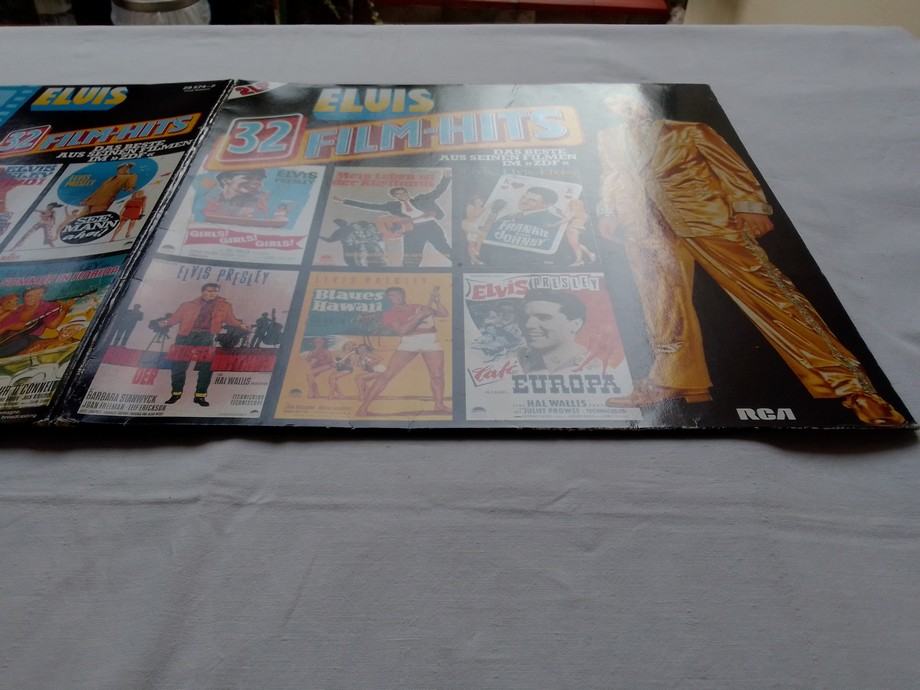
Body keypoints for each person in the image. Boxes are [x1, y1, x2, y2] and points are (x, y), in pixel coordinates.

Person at [598, 90, 905, 425]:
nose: (622, 107)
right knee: (661, 308)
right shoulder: (608, 138)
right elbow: (613, 177)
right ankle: (672, 381)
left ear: (647, 104)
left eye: (628, 102)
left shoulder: (690, 130)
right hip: (645, 227)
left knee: (771, 298)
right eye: (614, 103)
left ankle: (853, 388)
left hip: (707, 220)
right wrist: (609, 212)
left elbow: (732, 169)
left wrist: (750, 207)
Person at [356, 286, 449, 416]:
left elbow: (444, 314)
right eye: (391, 296)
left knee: (437, 375)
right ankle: (363, 408)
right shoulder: (390, 314)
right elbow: (402, 331)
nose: (395, 297)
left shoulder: (418, 306)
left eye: (397, 294)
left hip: (430, 340)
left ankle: (439, 405)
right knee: (387, 375)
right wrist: (419, 316)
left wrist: (437, 302)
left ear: (403, 295)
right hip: (409, 342)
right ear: (388, 299)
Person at [334, 171, 452, 268]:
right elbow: (370, 206)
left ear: (407, 192)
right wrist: (345, 201)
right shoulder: (392, 206)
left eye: (403, 192)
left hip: (430, 226)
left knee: (443, 248)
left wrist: (446, 178)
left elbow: (438, 191)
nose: (402, 195)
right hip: (412, 231)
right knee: (411, 257)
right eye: (398, 194)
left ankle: (460, 265)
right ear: (395, 197)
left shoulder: (421, 199)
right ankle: (407, 277)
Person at [157, 283, 248, 407]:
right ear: (202, 292)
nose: (212, 294)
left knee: (206, 367)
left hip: (207, 337)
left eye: (215, 291)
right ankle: (176, 393)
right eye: (209, 291)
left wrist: (241, 325)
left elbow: (231, 319)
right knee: (179, 366)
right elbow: (175, 318)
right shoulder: (187, 305)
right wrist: (166, 322)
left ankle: (200, 396)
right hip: (185, 337)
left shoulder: (225, 306)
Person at [476, 186, 571, 267]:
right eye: (523, 197)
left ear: (546, 205)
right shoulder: (508, 216)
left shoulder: (555, 221)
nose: (524, 201)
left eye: (532, 200)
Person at [515, 289, 591, 374]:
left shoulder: (591, 366)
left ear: (575, 324)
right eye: (525, 318)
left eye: (543, 317)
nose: (528, 325)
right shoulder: (517, 358)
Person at [0, 286, 70, 358]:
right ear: (24, 297)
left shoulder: (47, 307)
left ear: (41, 295)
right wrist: (9, 327)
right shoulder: (17, 310)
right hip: (8, 340)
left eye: (38, 294)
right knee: (23, 341)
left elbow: (52, 325)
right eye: (28, 296)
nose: (32, 298)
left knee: (27, 341)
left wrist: (64, 310)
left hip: (30, 339)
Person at [203, 169, 268, 221]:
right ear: (225, 180)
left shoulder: (265, 202)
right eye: (248, 177)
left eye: (259, 179)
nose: (256, 182)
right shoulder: (207, 200)